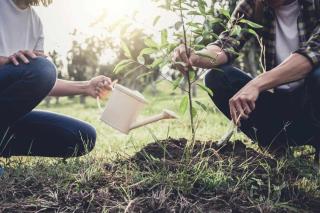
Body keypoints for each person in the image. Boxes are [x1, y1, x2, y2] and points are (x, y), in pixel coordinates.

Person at [173, 0, 320, 156]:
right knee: (217, 77)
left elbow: (313, 54)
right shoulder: (253, 4)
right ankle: (274, 143)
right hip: (280, 107)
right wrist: (195, 56)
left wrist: (256, 84)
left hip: (311, 106)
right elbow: (226, 44)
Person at [0, 0, 113, 158]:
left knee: (82, 136)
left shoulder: (35, 23)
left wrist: (86, 86)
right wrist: (7, 62)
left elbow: (40, 78)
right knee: (43, 68)